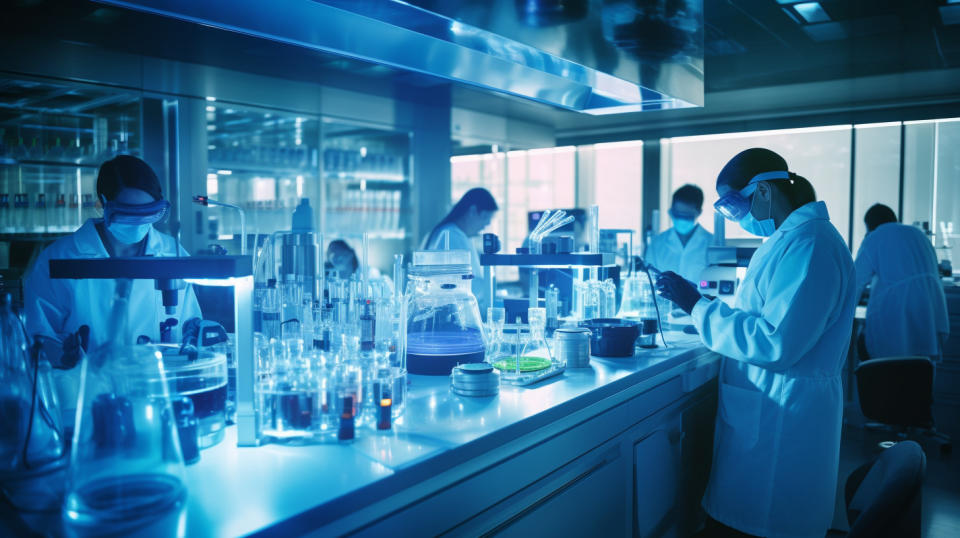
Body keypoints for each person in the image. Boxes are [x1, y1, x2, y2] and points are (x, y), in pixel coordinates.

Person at [656, 148, 857, 538]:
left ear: (763, 191)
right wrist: (707, 309)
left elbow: (775, 343)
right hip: (769, 411)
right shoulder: (791, 240)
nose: (736, 218)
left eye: (734, 205)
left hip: (783, 422)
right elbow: (764, 318)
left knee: (762, 523)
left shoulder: (810, 246)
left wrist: (696, 305)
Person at [24, 156, 202, 419]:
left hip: (158, 400)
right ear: (102, 204)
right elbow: (39, 336)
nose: (139, 222)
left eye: (149, 212)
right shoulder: (60, 259)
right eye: (128, 213)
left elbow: (190, 328)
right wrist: (65, 356)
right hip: (83, 405)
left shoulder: (172, 253)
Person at [854, 203, 949, 360]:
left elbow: (855, 282)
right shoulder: (919, 236)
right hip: (930, 315)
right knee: (918, 369)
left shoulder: (875, 237)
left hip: (894, 314)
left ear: (869, 226)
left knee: (881, 363)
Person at [423, 187, 498, 310]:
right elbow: (472, 286)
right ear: (473, 211)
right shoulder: (451, 235)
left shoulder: (450, 232)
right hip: (453, 312)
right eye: (485, 217)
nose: (487, 224)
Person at [645, 184, 713, 283]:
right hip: (662, 299)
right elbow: (649, 281)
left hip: (700, 299)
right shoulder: (657, 243)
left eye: (686, 216)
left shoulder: (712, 244)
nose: (681, 220)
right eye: (677, 214)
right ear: (671, 211)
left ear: (699, 212)